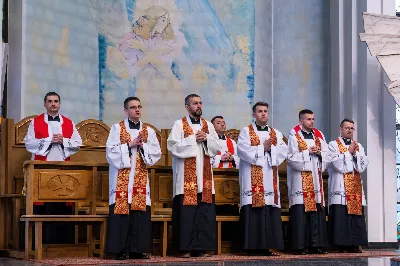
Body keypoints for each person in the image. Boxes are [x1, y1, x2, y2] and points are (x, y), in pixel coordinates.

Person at [105, 96, 161, 260]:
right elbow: (110, 152)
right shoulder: (117, 128)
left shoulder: (148, 131)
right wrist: (129, 144)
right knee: (121, 213)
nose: (137, 109)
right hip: (122, 178)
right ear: (126, 110)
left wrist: (142, 145)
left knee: (139, 212)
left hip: (140, 178)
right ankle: (120, 249)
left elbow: (156, 152)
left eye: (139, 106)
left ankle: (137, 249)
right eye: (133, 107)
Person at [24, 91, 82, 245]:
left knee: (62, 203)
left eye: (56, 101)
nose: (53, 104)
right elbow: (29, 143)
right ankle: (41, 243)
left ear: (60, 104)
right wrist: (49, 140)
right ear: (45, 104)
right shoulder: (35, 122)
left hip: (63, 169)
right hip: (41, 169)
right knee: (43, 204)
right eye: (50, 101)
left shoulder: (69, 123)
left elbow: (78, 143)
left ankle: (63, 244)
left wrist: (64, 140)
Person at [167, 94, 221, 258]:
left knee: (203, 212)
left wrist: (206, 140)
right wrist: (193, 138)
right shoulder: (179, 124)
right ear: (187, 107)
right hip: (185, 177)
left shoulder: (208, 125)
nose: (198, 106)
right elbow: (172, 146)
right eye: (195, 103)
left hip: (204, 176)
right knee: (187, 212)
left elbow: (216, 147)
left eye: (200, 103)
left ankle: (201, 248)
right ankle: (184, 248)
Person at [237, 102, 287, 256]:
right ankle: (252, 247)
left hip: (270, 177)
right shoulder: (246, 132)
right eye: (260, 111)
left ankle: (267, 246)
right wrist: (262, 148)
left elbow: (283, 151)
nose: (263, 114)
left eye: (265, 111)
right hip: (251, 178)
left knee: (269, 209)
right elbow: (242, 150)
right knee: (254, 208)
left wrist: (270, 148)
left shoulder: (276, 133)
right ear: (254, 114)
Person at [286, 109, 329, 255]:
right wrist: (307, 152)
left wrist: (320, 153)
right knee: (301, 213)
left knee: (315, 213)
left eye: (313, 119)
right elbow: (291, 158)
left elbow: (327, 156)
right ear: (301, 121)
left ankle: (315, 245)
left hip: (315, 181)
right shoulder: (294, 138)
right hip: (300, 181)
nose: (312, 121)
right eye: (308, 119)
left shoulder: (319, 138)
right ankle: (300, 246)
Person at [327, 119, 369, 253]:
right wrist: (348, 152)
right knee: (342, 215)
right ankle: (342, 244)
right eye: (347, 128)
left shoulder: (359, 146)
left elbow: (362, 166)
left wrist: (356, 154)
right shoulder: (333, 145)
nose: (350, 130)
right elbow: (336, 164)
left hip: (355, 186)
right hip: (340, 186)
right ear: (341, 129)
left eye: (352, 128)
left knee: (355, 217)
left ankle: (355, 244)